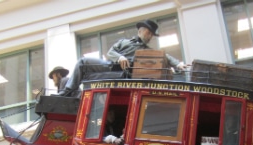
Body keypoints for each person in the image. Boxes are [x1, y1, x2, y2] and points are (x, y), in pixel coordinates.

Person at [58, 19, 189, 96]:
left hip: (122, 73)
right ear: (141, 31)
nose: (149, 36)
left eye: (151, 35)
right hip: (109, 65)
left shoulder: (148, 51)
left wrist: (178, 64)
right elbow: (110, 52)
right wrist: (120, 57)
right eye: (148, 33)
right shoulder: (123, 42)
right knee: (83, 62)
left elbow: (165, 56)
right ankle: (68, 91)